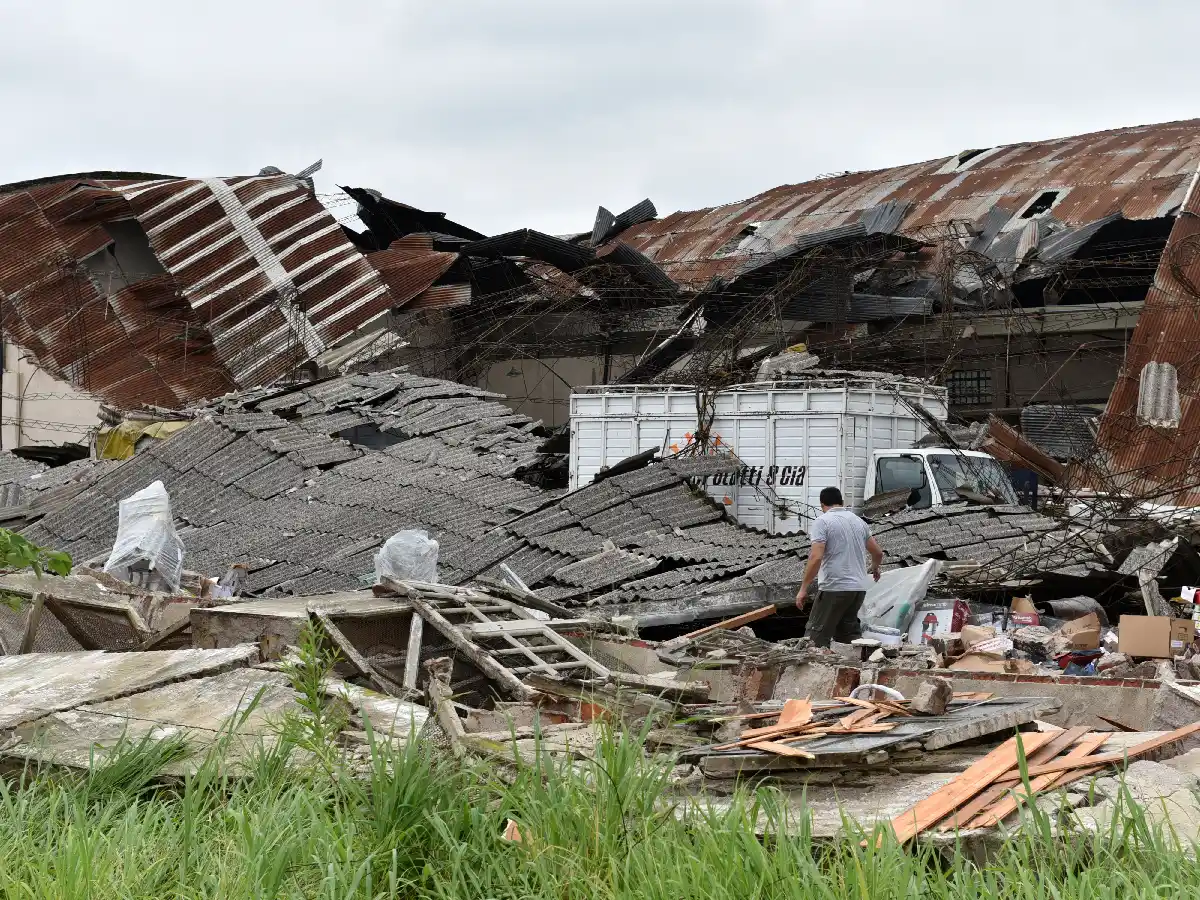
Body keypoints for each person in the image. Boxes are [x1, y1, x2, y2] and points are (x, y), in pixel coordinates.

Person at [795, 486, 884, 648]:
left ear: (822, 505)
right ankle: (858, 662)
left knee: (814, 639)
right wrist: (875, 567)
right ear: (841, 502)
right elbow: (878, 552)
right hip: (858, 589)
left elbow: (816, 557)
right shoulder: (859, 522)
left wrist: (803, 589)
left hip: (834, 587)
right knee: (848, 636)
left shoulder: (822, 522)